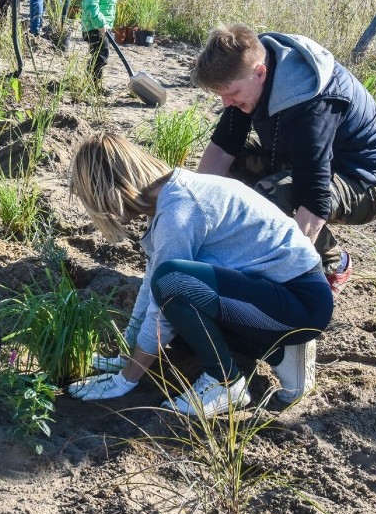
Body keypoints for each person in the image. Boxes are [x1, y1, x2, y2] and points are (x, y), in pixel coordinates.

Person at [67, 133, 333, 417]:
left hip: (301, 304)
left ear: (110, 190)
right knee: (178, 321)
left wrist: (125, 380)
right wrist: (126, 352)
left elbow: (165, 294)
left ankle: (226, 383)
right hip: (276, 300)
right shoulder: (169, 198)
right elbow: (151, 284)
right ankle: (281, 350)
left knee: (173, 286)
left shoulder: (179, 209)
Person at [191, 24, 376, 296]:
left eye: (232, 94)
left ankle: (332, 263)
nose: (227, 104)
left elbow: (314, 196)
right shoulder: (247, 73)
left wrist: (273, 273)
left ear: (260, 73)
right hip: (308, 161)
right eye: (222, 96)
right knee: (236, 165)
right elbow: (221, 152)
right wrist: (195, 219)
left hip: (366, 182)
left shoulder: (312, 104)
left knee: (271, 195)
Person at [80, 0, 130, 84]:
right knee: (100, 56)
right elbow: (90, 5)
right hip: (93, 27)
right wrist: (101, 24)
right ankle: (93, 84)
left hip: (102, 27)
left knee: (100, 55)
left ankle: (92, 82)